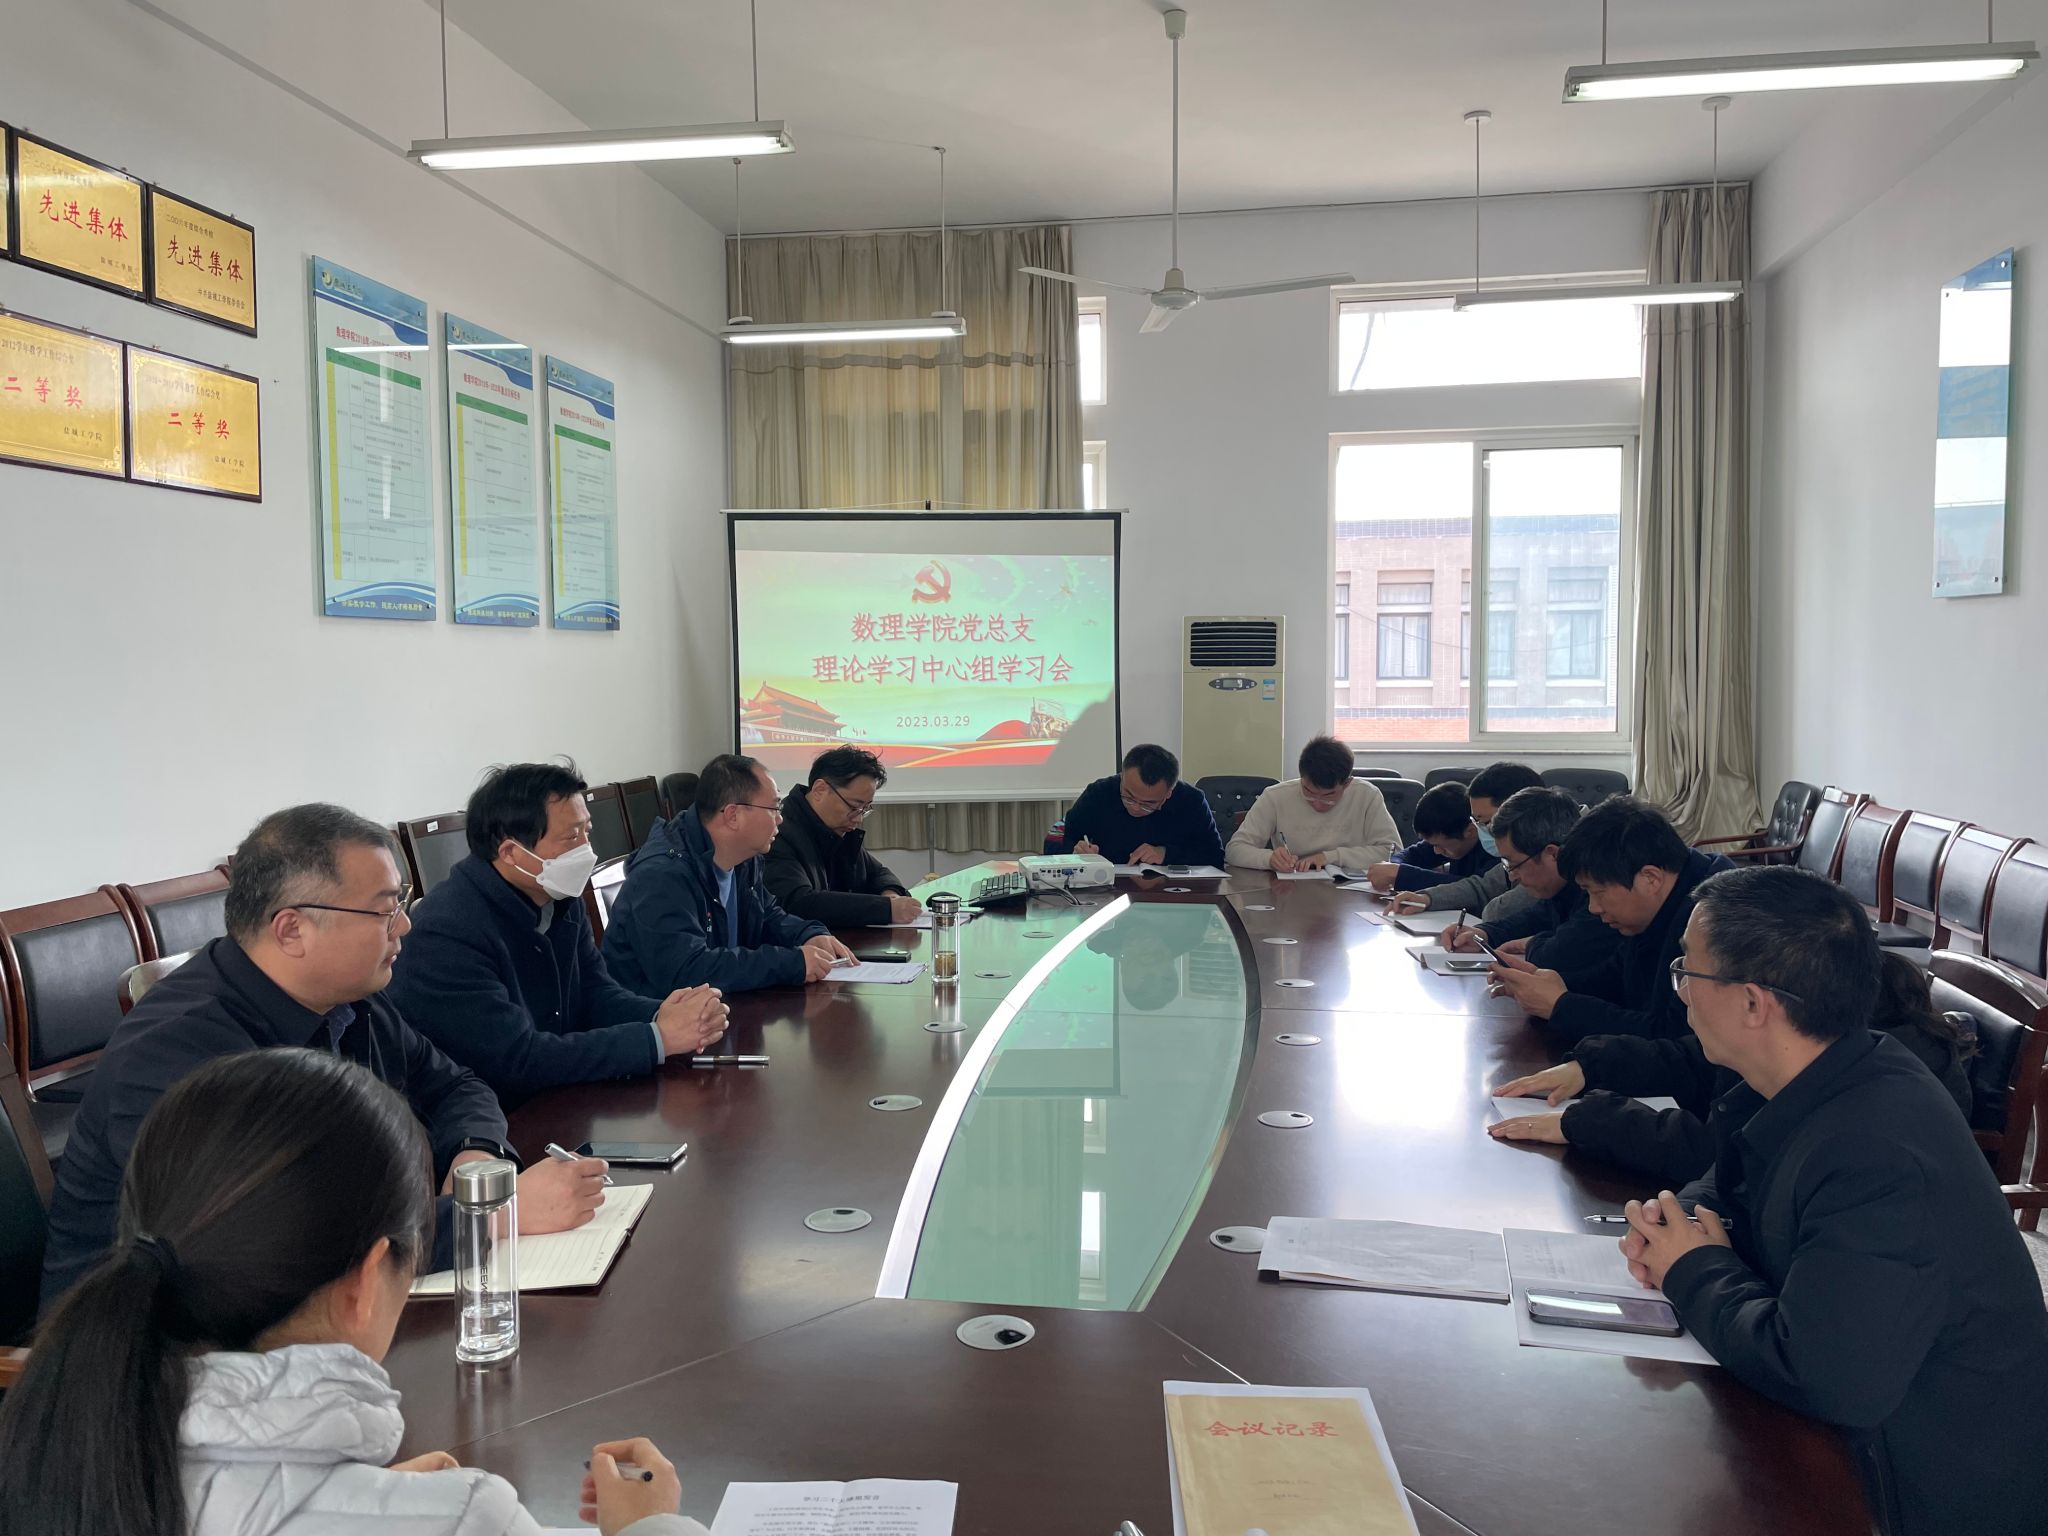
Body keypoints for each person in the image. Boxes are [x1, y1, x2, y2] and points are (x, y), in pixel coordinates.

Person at [0, 1049, 704, 1536]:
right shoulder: (467, 1517)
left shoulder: (57, 1452)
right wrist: (653, 1526)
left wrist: (361, 1498)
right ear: (367, 1281)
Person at [1613, 867, 2048, 1536]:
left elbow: (1826, 1377)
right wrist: (1677, 1222)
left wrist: (1692, 1268)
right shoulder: (1830, 1070)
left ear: (1753, 1003)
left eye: (1687, 972)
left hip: (1920, 1490)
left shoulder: (1878, 1152)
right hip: (1860, 1441)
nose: (1682, 993)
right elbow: (1732, 1181)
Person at [39, 804, 605, 1313]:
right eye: (385, 910)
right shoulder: (178, 1052)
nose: (405, 926)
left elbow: (456, 1085)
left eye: (401, 902)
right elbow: (267, 1242)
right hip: (148, 1354)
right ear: (292, 930)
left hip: (310, 1316)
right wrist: (488, 1216)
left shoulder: (351, 1000)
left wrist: (471, 1156)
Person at [387, 763, 730, 1106]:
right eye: (571, 837)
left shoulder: (557, 896)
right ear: (510, 853)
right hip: (493, 1116)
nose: (586, 849)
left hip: (555, 1098)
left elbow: (595, 994)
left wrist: (666, 1014)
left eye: (586, 831)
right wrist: (656, 1039)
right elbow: (517, 1059)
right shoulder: (446, 932)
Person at [1488, 949, 1977, 1184]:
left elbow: (1725, 1155)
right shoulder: (1828, 1039)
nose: (1686, 992)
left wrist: (1590, 1120)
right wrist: (1593, 1066)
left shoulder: (1868, 1096)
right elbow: (1694, 1061)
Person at [1484, 795, 1730, 1043]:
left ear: (1650, 879)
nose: (1593, 908)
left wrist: (1562, 1006)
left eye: (1598, 892)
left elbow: (1675, 1037)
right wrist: (1546, 982)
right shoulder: (1652, 907)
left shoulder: (1715, 922)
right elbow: (1615, 977)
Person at [603, 755, 857, 995]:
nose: (780, 819)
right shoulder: (663, 875)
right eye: (774, 808)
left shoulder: (743, 857)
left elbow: (767, 915)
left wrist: (808, 934)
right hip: (657, 1017)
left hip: (721, 1005)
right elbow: (687, 970)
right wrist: (791, 963)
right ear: (733, 815)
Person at [1440, 786, 1621, 978]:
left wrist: (1530, 943)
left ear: (1552, 854)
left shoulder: (1600, 891)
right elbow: (1534, 918)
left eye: (1514, 864)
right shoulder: (1561, 887)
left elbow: (1559, 954)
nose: (1512, 876)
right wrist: (1484, 934)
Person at [763, 747, 922, 927]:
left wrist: (890, 895)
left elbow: (878, 873)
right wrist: (886, 909)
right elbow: (797, 903)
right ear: (820, 790)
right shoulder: (777, 833)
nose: (859, 818)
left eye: (865, 809)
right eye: (854, 806)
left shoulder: (838, 829)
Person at [1390, 761, 1543, 920]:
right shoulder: (1515, 852)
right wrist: (1427, 898)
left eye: (1487, 822)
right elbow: (1481, 887)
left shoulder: (1548, 857)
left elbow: (1499, 911)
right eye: (1476, 821)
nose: (1480, 829)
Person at [1225, 736, 1399, 872]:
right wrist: (1269, 858)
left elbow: (1394, 854)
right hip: (1291, 887)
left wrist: (1331, 857)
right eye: (1308, 792)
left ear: (1347, 783)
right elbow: (1235, 850)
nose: (1318, 804)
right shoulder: (1276, 796)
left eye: (1329, 796)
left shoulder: (1366, 795)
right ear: (1301, 777)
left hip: (1351, 890)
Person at [1056, 743, 1227, 868]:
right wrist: (1075, 852)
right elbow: (1057, 838)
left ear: (1169, 793)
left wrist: (1166, 854)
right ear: (1122, 776)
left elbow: (1215, 856)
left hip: (1172, 894)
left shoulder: (1191, 801)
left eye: (1148, 804)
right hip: (1107, 889)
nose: (1136, 808)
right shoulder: (1099, 793)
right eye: (1128, 797)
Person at [1365, 781, 1499, 894]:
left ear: (1470, 831)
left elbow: (1472, 889)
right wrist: (1393, 867)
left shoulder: (1496, 850)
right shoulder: (1447, 838)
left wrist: (1403, 875)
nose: (1436, 851)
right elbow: (1411, 855)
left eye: (1439, 846)